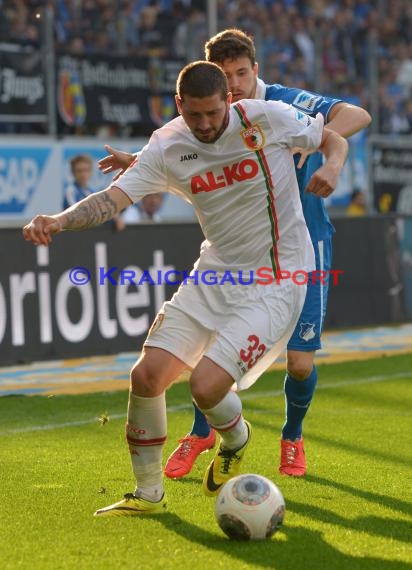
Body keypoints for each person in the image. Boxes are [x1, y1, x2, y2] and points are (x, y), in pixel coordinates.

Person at [23, 61, 348, 517]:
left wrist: (332, 166)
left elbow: (333, 135)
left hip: (278, 277)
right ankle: (148, 493)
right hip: (213, 273)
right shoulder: (167, 144)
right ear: (179, 106)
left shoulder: (265, 117)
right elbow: (110, 200)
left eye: (214, 113)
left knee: (205, 386)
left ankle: (235, 437)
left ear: (229, 102)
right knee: (146, 376)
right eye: (194, 115)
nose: (205, 124)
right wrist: (57, 220)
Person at [98, 29, 371, 480]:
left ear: (255, 71)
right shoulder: (215, 119)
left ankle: (293, 435)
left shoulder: (279, 107)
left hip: (303, 242)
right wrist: (141, 161)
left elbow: (357, 114)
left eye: (241, 73)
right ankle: (204, 434)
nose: (235, 84)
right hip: (242, 252)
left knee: (301, 362)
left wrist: (313, 144)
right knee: (210, 352)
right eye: (226, 77)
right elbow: (176, 152)